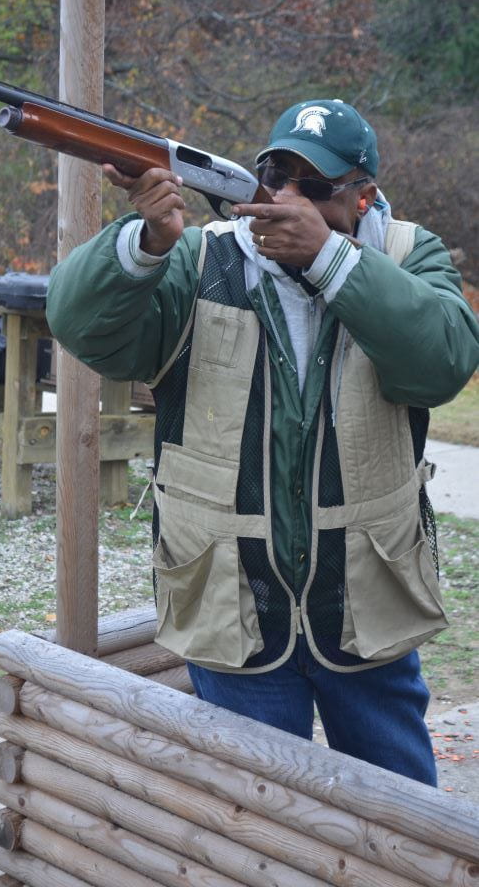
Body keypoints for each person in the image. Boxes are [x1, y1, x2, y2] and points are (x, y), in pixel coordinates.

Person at [46, 98, 479, 785]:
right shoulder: (196, 260)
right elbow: (79, 324)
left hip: (365, 602)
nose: (288, 198)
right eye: (278, 174)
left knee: (403, 814)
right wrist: (146, 240)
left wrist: (332, 261)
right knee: (251, 816)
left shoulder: (405, 253)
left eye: (315, 185)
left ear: (363, 196)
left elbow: (444, 361)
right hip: (231, 606)